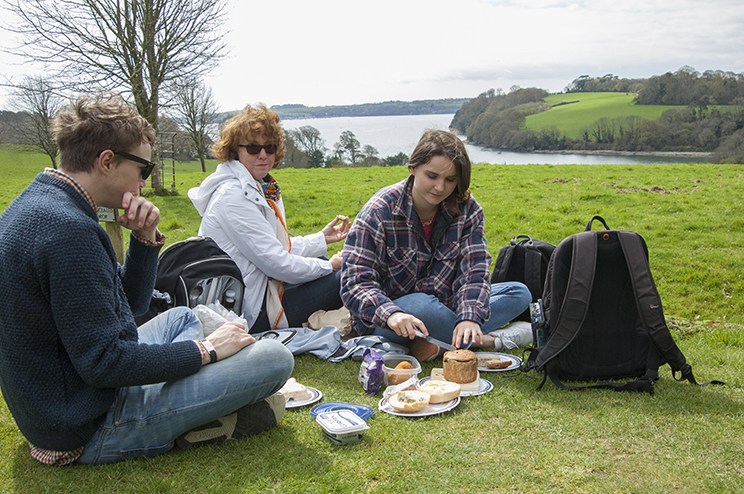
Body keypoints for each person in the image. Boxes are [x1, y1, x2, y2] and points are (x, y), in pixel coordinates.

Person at [0, 94, 294, 466]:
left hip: (61, 396)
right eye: (143, 169)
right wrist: (208, 351)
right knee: (274, 358)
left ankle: (194, 396)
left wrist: (142, 242)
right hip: (83, 423)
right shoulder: (69, 233)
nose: (144, 183)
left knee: (183, 318)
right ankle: (194, 414)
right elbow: (105, 363)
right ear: (107, 161)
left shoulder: (39, 205)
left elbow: (128, 306)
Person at [340, 129, 532, 361]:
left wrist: (468, 317)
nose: (440, 187)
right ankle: (490, 340)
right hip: (391, 318)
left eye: (450, 179)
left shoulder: (468, 209)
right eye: (432, 176)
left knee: (520, 293)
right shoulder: (378, 212)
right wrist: (391, 314)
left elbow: (474, 269)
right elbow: (355, 282)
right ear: (413, 168)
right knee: (422, 305)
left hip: (447, 304)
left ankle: (443, 339)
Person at [189, 104, 350, 333]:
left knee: (326, 261)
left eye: (270, 147)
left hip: (263, 291)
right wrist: (330, 266)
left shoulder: (259, 187)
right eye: (253, 148)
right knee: (345, 273)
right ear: (235, 150)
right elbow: (276, 263)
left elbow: (275, 248)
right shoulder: (233, 196)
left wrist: (321, 239)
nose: (263, 154)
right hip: (252, 313)